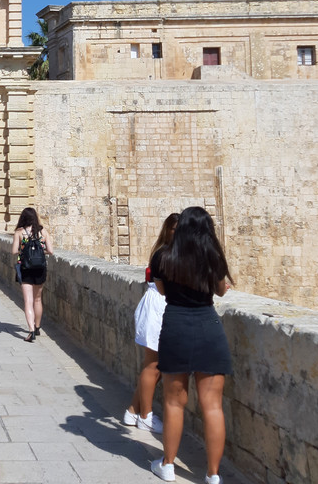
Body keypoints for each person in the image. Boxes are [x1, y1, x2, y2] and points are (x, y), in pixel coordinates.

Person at [150, 207, 234, 484]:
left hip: (176, 327)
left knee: (174, 402)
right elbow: (221, 290)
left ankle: (168, 465)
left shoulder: (163, 256)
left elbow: (162, 290)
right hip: (209, 328)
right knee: (213, 406)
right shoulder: (212, 257)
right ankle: (212, 475)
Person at [123, 212, 178, 433]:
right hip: (158, 307)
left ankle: (132, 411)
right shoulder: (165, 254)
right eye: (175, 229)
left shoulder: (163, 252)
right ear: (168, 230)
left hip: (156, 305)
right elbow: (165, 288)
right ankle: (146, 416)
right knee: (153, 366)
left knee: (154, 365)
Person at [11, 207, 54, 342]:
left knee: (28, 301)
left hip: (25, 268)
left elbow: (13, 251)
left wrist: (25, 251)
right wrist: (39, 252)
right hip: (40, 268)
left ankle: (30, 331)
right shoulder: (43, 232)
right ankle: (37, 327)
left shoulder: (19, 232)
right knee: (37, 299)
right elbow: (51, 251)